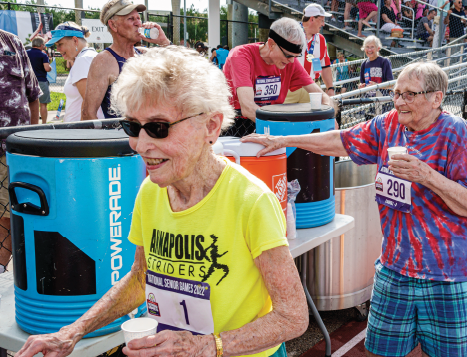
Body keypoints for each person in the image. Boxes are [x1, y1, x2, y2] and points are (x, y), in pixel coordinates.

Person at [15, 46, 308, 357]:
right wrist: (71, 332)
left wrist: (209, 346)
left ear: (210, 126)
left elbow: (293, 316)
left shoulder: (250, 200)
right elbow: (141, 277)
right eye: (131, 126)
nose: (141, 145)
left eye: (158, 128)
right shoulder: (151, 190)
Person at [243, 61, 467, 357]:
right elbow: (340, 140)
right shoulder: (388, 124)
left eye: (410, 94)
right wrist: (282, 140)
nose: (399, 101)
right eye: (396, 93)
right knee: (380, 352)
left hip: (449, 274)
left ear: (437, 98)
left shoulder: (455, 132)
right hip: (396, 266)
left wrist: (425, 175)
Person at [222, 17, 332, 137]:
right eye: (288, 55)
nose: (291, 61)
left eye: (295, 56)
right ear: (271, 44)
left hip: (270, 120)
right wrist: (281, 132)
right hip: (235, 125)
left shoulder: (290, 62)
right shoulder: (240, 56)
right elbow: (248, 107)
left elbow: (321, 95)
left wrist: (331, 119)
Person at [81, 0, 171, 121]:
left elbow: (187, 70)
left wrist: (164, 42)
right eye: (131, 19)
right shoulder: (104, 61)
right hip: (122, 137)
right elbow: (88, 114)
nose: (138, 23)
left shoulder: (144, 54)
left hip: (150, 135)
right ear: (113, 25)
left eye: (138, 18)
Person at [0, 30, 40, 273]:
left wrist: (33, 141)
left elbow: (33, 95)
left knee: (9, 212)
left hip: (12, 151)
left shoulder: (12, 43)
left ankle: (2, 267)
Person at [45, 22, 104, 123]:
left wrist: (80, 133)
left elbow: (89, 105)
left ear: (75, 40)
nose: (58, 49)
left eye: (60, 44)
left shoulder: (83, 60)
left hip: (81, 132)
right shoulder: (88, 56)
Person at [284, 4, 335, 103]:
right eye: (321, 20)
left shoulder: (321, 39)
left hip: (313, 87)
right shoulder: (290, 34)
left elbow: (325, 66)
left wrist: (330, 88)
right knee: (285, 118)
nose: (323, 24)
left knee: (313, 118)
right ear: (312, 19)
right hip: (290, 87)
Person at [27, 36, 51, 124]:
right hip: (41, 80)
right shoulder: (43, 55)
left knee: (30, 104)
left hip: (28, 81)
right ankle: (44, 124)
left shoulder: (25, 53)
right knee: (43, 104)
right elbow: (47, 68)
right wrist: (50, 67)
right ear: (41, 45)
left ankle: (32, 123)